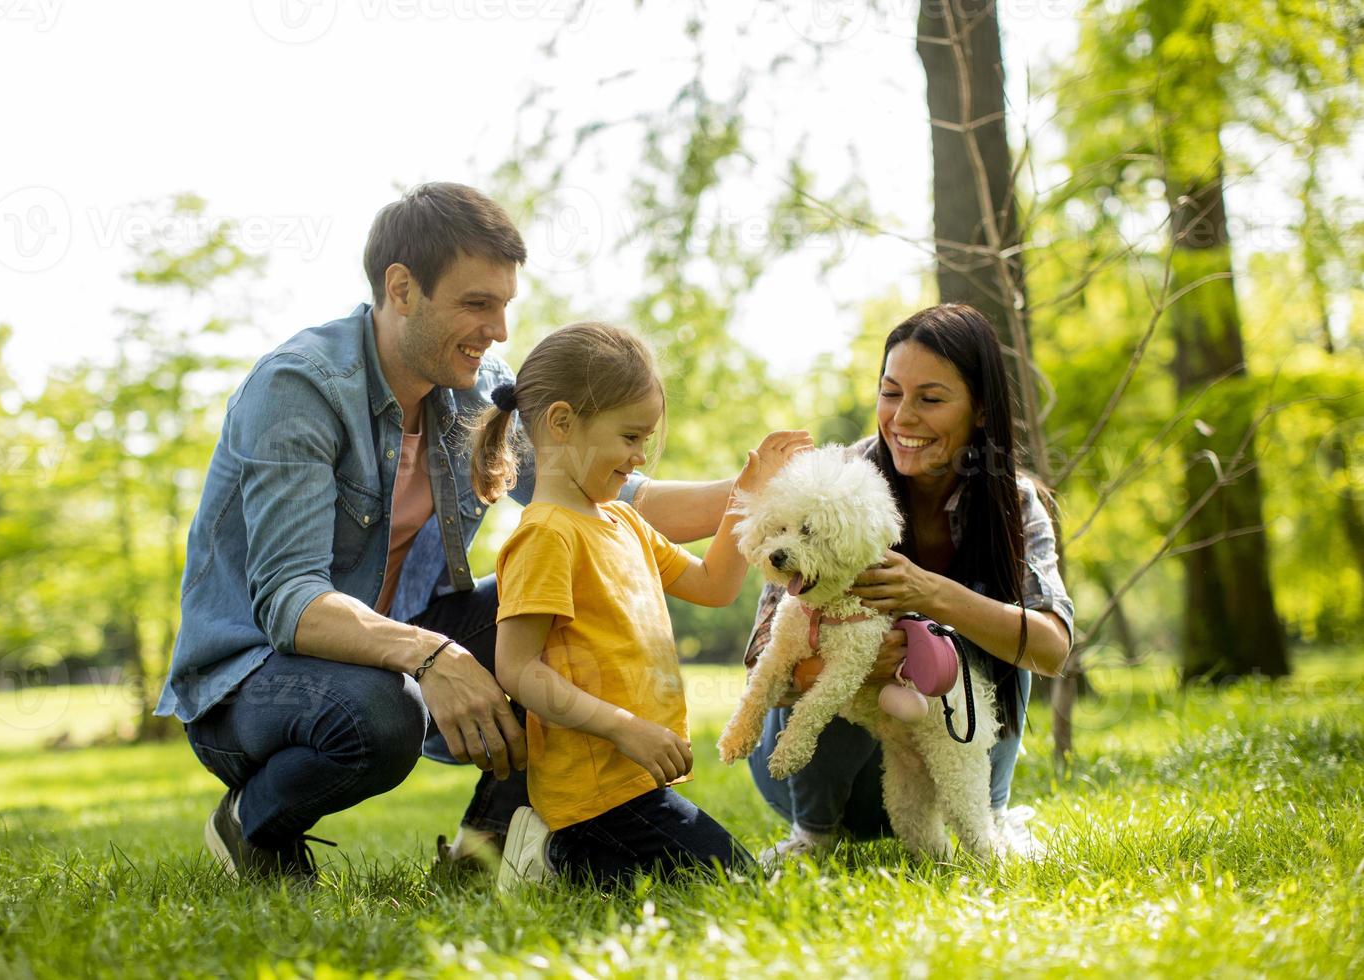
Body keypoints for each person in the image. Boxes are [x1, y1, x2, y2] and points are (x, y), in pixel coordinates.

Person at [155, 183, 742, 884]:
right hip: (251, 681)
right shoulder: (299, 390)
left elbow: (615, 499)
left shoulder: (473, 387)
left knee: (557, 604)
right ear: (401, 288)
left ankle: (485, 851)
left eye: (503, 306)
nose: (497, 329)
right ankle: (252, 822)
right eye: (476, 304)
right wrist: (435, 656)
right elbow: (290, 601)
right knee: (382, 716)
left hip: (395, 639)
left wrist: (765, 491)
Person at [472, 321, 812, 887]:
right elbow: (517, 668)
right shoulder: (546, 537)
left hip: (631, 779)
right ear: (562, 423)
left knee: (633, 885)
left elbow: (713, 585)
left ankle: (555, 861)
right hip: (596, 790)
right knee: (739, 884)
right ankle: (557, 849)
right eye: (630, 437)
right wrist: (626, 727)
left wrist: (747, 494)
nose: (640, 456)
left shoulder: (624, 521)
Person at [745, 303, 1075, 862]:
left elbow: (1052, 650)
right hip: (826, 784)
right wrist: (848, 669)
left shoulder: (1012, 503)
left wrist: (932, 595)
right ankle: (811, 839)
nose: (902, 418)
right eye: (891, 392)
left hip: (949, 772)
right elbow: (761, 663)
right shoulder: (833, 488)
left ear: (981, 412)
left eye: (931, 398)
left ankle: (984, 820)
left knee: (1005, 627)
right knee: (808, 630)